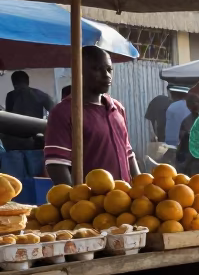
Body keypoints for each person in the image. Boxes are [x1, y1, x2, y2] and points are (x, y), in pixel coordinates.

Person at [43, 46, 139, 185]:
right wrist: (75, 199)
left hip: (123, 199)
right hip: (90, 202)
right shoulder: (64, 112)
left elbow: (128, 154)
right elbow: (56, 164)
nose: (106, 75)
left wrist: (140, 188)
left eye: (109, 69)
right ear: (79, 71)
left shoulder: (117, 109)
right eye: (97, 69)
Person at [2, 70, 53, 150]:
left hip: (15, 139)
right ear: (28, 81)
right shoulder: (40, 94)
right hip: (35, 135)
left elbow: (9, 116)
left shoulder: (11, 95)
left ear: (13, 82)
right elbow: (54, 110)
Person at [176, 94, 199, 175]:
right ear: (189, 107)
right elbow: (182, 138)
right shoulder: (187, 121)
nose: (195, 105)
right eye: (192, 103)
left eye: (197, 102)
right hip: (190, 158)